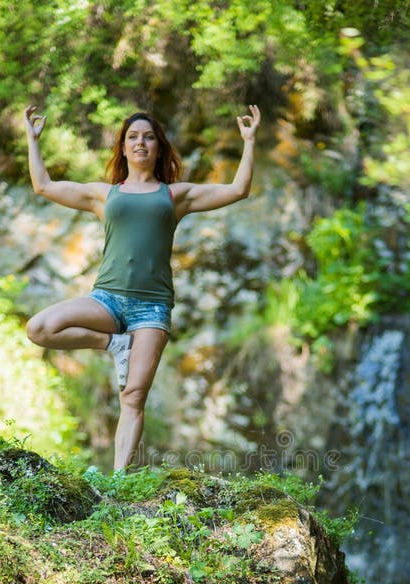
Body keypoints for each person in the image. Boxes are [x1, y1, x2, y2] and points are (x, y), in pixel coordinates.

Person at [23, 102, 261, 470]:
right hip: (106, 299)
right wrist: (32, 139)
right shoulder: (104, 195)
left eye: (149, 137)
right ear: (122, 147)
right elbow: (43, 185)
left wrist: (249, 141)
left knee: (133, 396)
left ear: (159, 147)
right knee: (39, 328)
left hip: (151, 308)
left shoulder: (175, 196)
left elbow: (238, 190)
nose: (140, 143)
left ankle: (117, 481)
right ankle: (113, 344)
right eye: (133, 137)